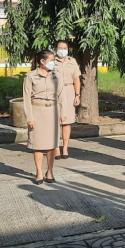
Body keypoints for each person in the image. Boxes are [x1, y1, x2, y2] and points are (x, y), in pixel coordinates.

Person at [23, 50, 61, 185]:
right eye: (51, 60)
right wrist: (29, 117)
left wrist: (61, 114)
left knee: (52, 145)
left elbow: (59, 95)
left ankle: (50, 171)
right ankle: (39, 172)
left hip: (52, 112)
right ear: (42, 61)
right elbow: (26, 98)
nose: (53, 63)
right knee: (38, 144)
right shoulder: (31, 76)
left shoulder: (56, 76)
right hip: (37, 112)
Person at [53, 40, 81, 159]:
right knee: (55, 122)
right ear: (56, 48)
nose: (62, 50)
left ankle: (65, 148)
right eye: (60, 48)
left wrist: (77, 94)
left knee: (67, 122)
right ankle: (56, 148)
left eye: (65, 48)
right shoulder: (52, 61)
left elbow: (76, 79)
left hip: (69, 91)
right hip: (54, 93)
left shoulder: (72, 61)